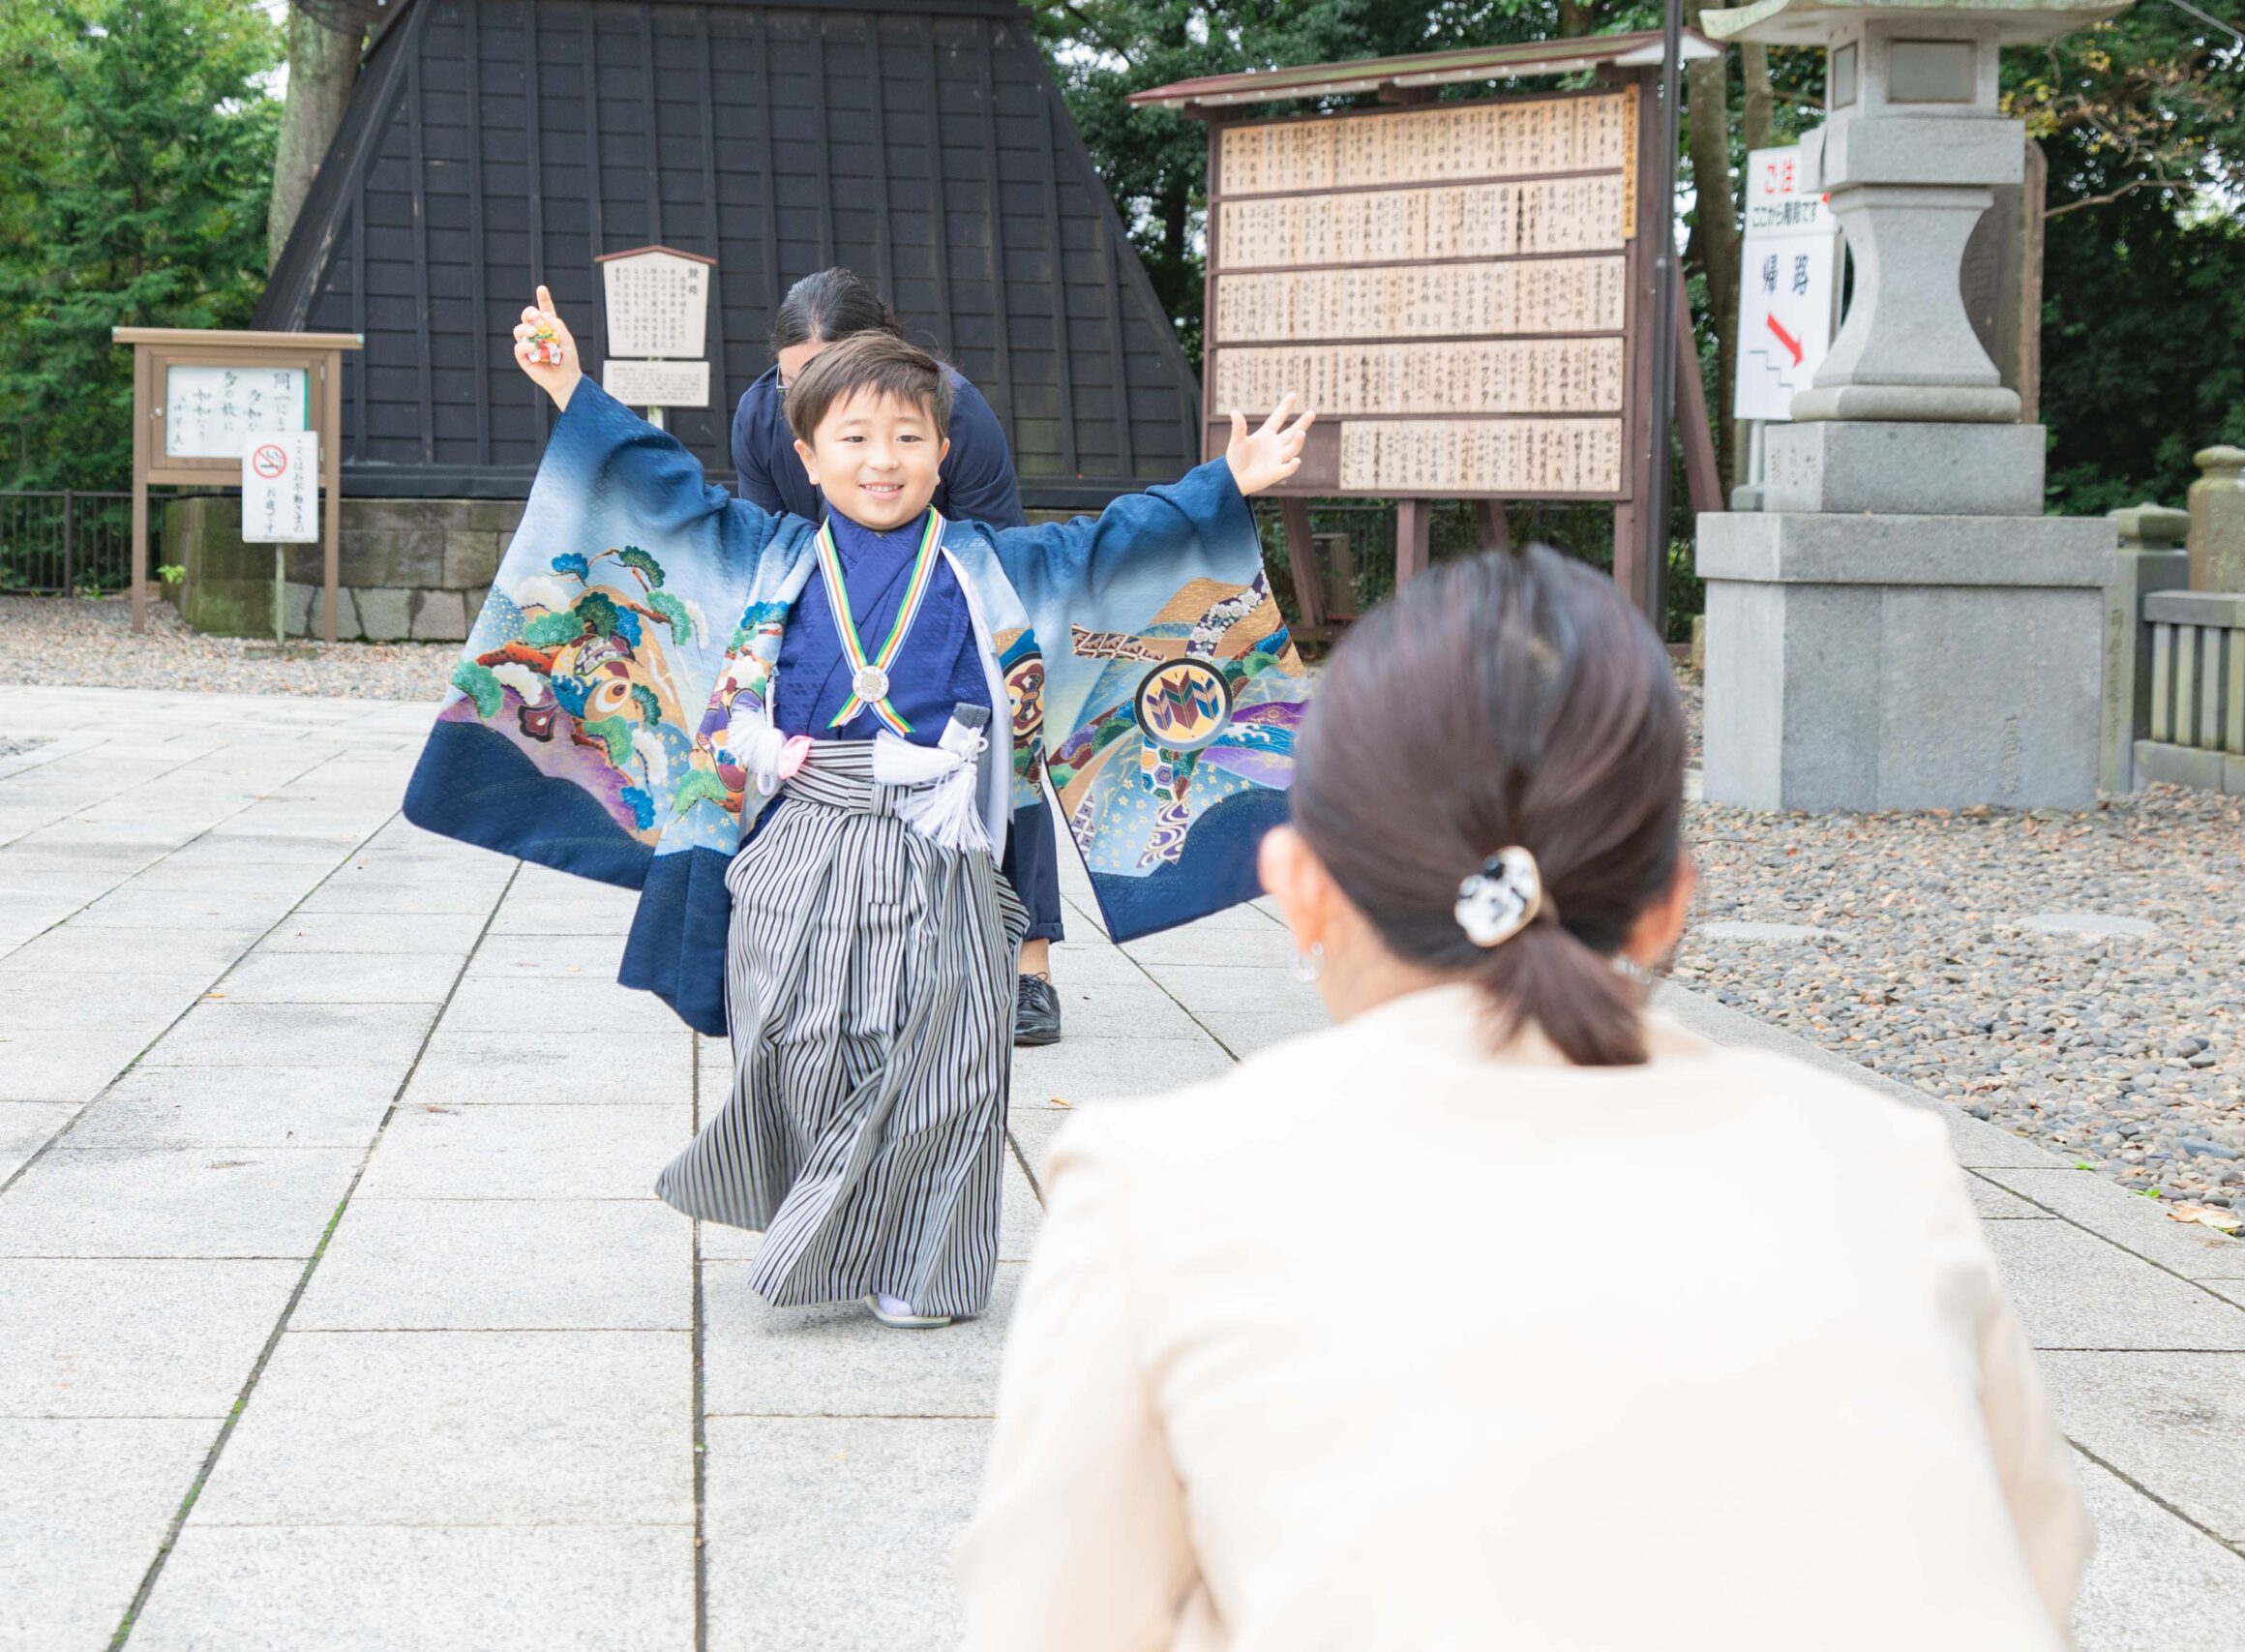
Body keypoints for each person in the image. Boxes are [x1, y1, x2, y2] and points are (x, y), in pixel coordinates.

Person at [958, 548, 2091, 1646]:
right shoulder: (1884, 1165)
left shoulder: (1159, 1188)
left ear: (1301, 888)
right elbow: (2037, 1570)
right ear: (1664, 908)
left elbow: (1055, 1616)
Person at [404, 286, 1313, 1329]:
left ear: (941, 454)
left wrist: (1222, 486)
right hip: (804, 829)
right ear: (807, 454)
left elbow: (1111, 545)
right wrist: (570, 384)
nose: (882, 459)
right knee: (793, 1033)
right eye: (856, 438)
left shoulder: (992, 563)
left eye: (908, 438)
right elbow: (659, 490)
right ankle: (827, 1221)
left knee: (951, 1062)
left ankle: (922, 1270)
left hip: (941, 841)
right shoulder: (770, 553)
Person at [733, 269, 1067, 1049]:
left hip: (945, 598)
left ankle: (1030, 959)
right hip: (826, 597)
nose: (807, 392)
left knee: (1006, 743)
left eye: (832, 371)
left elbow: (1001, 549)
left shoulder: (955, 409)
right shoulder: (760, 413)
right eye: (795, 379)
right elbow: (757, 536)